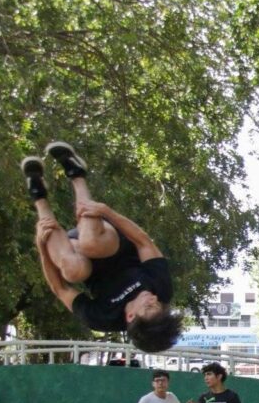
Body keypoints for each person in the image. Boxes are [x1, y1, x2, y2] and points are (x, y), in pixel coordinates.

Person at [21, 142, 182, 352]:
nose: (153, 298)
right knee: (91, 244)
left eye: (149, 305)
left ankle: (38, 196)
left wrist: (41, 245)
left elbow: (60, 289)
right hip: (107, 240)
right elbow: (143, 241)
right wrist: (106, 211)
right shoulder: (161, 288)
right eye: (158, 303)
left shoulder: (102, 318)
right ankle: (76, 173)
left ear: (130, 316)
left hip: (75, 252)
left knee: (72, 271)